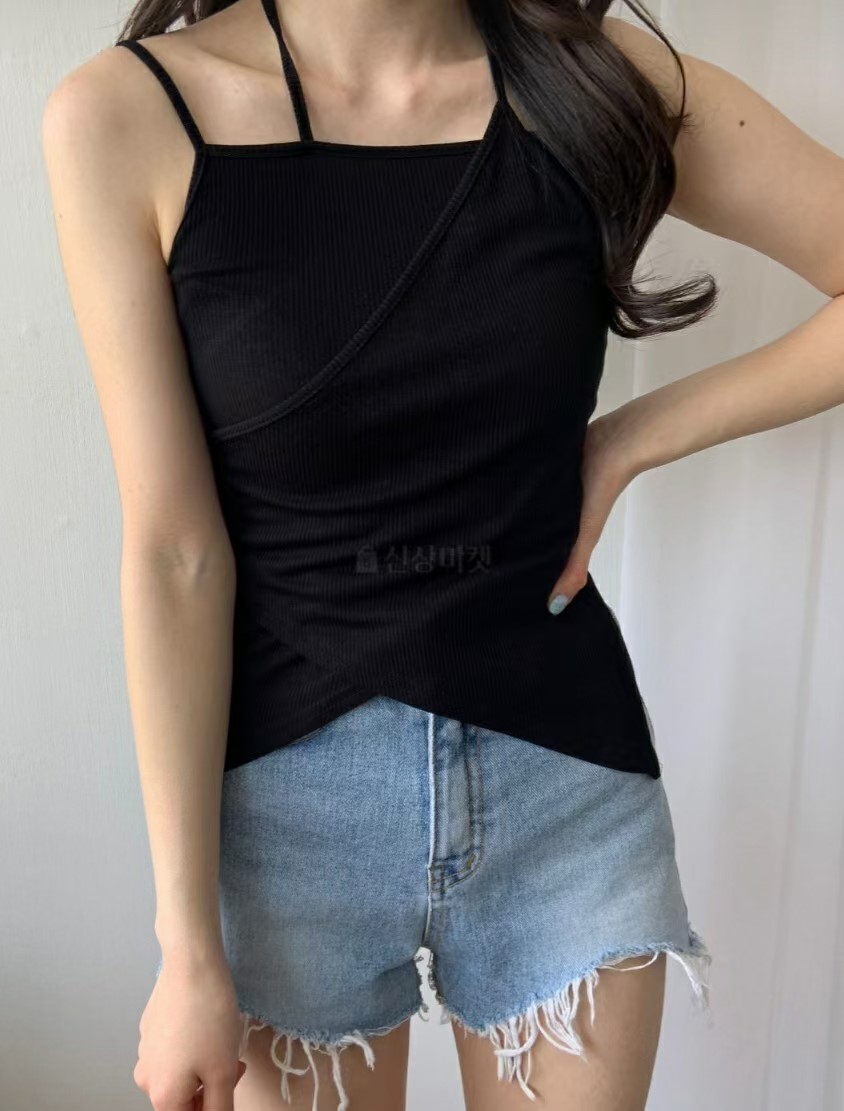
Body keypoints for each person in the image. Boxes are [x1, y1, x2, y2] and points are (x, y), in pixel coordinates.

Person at [41, 0, 844, 1108]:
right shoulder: (127, 116)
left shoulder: (593, 83)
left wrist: (630, 439)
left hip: (565, 794)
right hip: (282, 831)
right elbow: (177, 553)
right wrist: (186, 947)